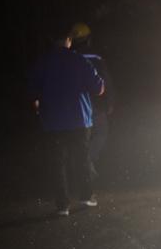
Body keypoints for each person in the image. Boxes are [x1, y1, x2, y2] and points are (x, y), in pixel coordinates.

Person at [29, 25, 105, 216]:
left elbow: (32, 91)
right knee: (82, 158)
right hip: (79, 119)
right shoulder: (79, 60)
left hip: (52, 120)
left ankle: (62, 205)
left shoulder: (42, 62)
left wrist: (38, 104)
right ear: (69, 40)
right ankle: (86, 196)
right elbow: (99, 88)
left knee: (57, 162)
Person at [68, 22, 114, 178]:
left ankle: (80, 167)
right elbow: (105, 80)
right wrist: (109, 101)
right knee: (101, 132)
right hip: (95, 103)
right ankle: (88, 162)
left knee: (81, 137)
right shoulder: (96, 58)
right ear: (88, 39)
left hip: (74, 105)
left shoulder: (68, 58)